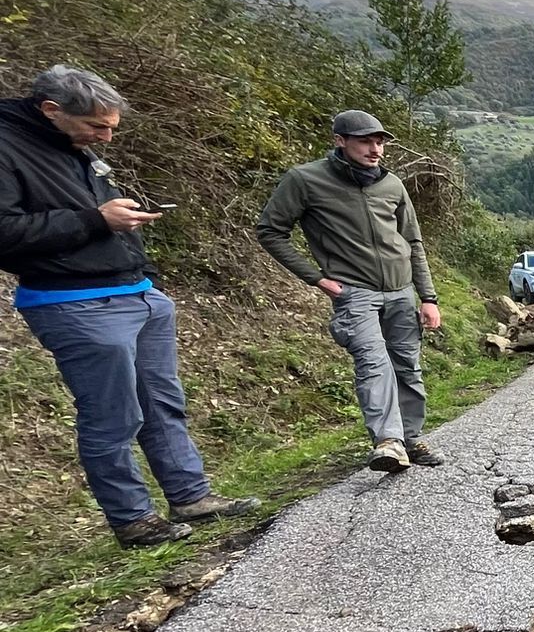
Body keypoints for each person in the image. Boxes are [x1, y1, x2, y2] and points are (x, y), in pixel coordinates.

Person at [0, 65, 259, 547]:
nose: (106, 138)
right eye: (97, 127)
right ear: (51, 110)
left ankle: (191, 495)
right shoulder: (7, 146)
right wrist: (95, 220)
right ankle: (133, 520)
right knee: (112, 416)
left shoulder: (74, 147)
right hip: (74, 303)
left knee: (162, 405)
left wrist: (122, 225)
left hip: (136, 292)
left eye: (111, 128)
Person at [258, 110, 444, 472]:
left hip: (402, 291)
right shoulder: (305, 180)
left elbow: (413, 242)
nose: (375, 150)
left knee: (407, 366)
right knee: (374, 364)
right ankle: (388, 442)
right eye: (365, 141)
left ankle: (409, 437)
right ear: (340, 141)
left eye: (379, 142)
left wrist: (429, 297)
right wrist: (316, 277)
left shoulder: (392, 184)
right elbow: (270, 231)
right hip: (354, 293)